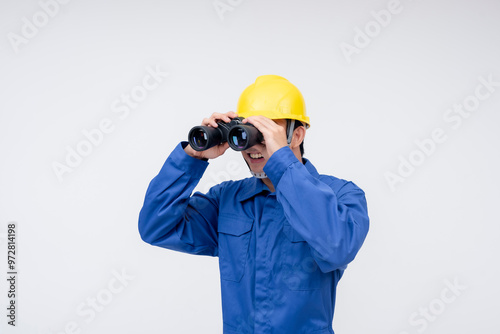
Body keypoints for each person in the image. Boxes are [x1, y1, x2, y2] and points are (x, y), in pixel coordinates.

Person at [138, 75, 369, 333]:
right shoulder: (227, 200)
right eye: (246, 132)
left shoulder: (341, 195)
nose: (252, 146)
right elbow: (156, 227)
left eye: (265, 132)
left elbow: (338, 247)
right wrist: (193, 157)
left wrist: (281, 162)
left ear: (297, 135)